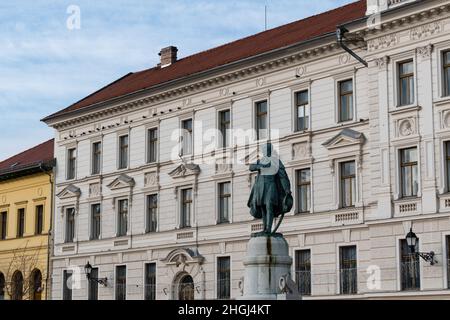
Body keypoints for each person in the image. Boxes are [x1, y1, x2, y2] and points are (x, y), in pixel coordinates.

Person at [247, 143, 293, 235]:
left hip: (271, 186)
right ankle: (264, 228)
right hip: (260, 187)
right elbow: (251, 167)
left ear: (270, 151)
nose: (264, 152)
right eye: (263, 150)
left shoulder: (275, 161)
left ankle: (268, 228)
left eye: (266, 150)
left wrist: (287, 188)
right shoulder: (261, 160)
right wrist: (260, 166)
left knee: (269, 205)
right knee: (263, 207)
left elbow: (282, 176)